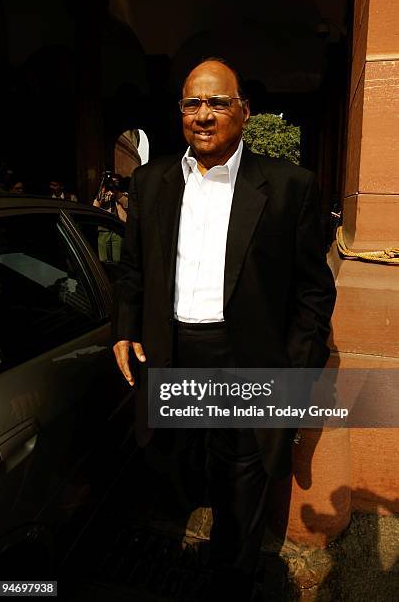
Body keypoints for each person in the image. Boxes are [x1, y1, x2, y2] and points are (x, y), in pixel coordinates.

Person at [112, 58, 336, 600]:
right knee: (177, 465)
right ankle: (181, 553)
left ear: (243, 111)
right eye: (193, 103)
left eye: (217, 102)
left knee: (241, 476)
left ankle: (231, 580)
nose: (204, 115)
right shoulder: (151, 181)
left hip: (247, 359)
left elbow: (313, 292)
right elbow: (135, 267)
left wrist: (292, 372)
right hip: (172, 353)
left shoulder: (289, 187)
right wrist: (125, 327)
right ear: (180, 113)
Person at [93, 173, 128, 262]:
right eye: (110, 182)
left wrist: (116, 194)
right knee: (104, 260)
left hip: (118, 230)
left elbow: (127, 204)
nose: (112, 184)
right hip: (104, 229)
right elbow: (94, 208)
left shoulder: (122, 194)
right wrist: (102, 190)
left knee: (118, 260)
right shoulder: (101, 194)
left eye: (115, 182)